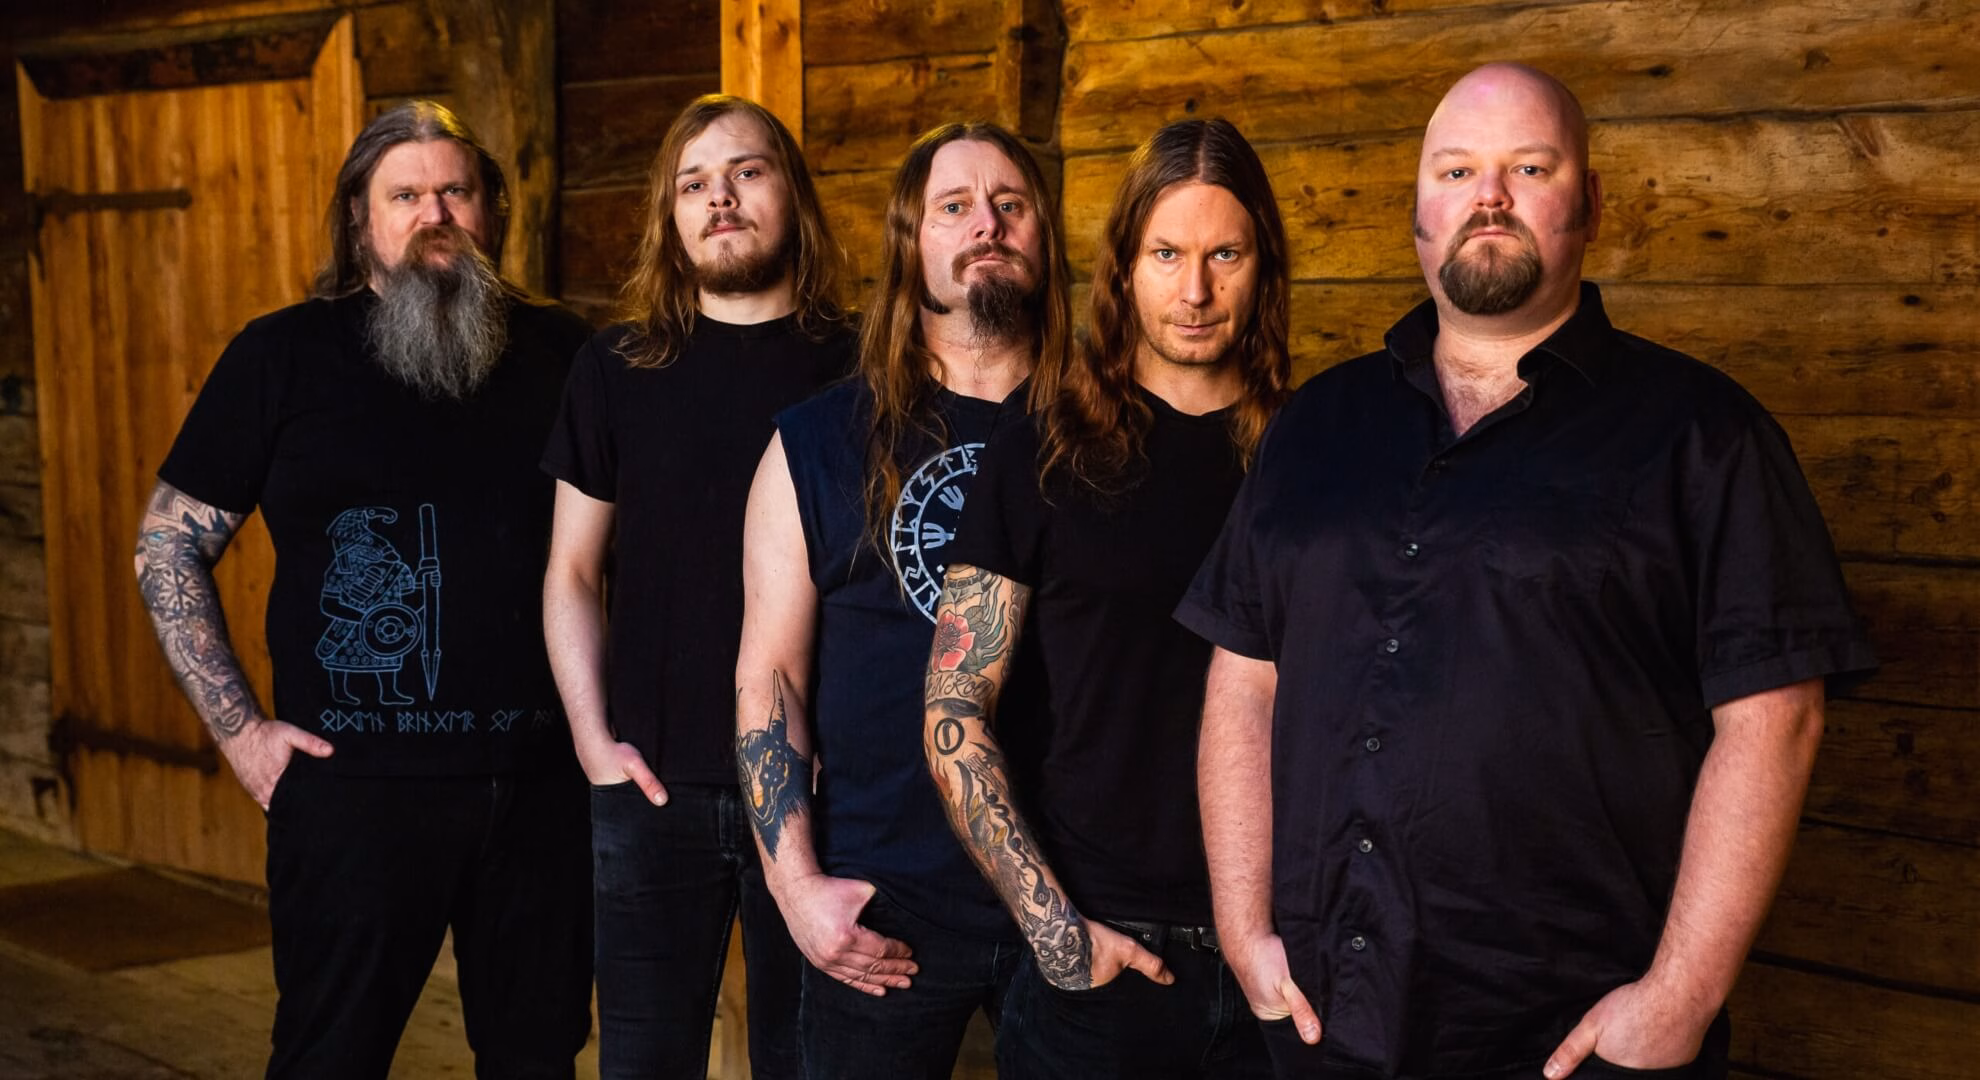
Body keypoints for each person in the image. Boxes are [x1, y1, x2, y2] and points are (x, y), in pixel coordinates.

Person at [1178, 63, 1878, 1080]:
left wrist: (1680, 998)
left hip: (1569, 1039)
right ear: (1418, 208)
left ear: (1591, 202)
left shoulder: (1704, 436)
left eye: (1530, 169)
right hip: (1325, 1021)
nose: (1489, 197)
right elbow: (1244, 681)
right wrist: (1244, 929)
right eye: (1457, 170)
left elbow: (1776, 721)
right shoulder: (1315, 426)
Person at [134, 101, 594, 1079]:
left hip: (542, 790)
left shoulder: (566, 353)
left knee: (538, 1059)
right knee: (328, 1058)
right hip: (355, 797)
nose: (435, 214)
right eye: (405, 195)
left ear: (491, 208)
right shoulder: (283, 355)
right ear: (359, 217)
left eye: (455, 191)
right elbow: (167, 546)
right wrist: (240, 733)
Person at [921, 117, 1292, 1079]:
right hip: (1103, 960)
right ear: (1123, 269)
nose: (1196, 291)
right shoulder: (1042, 447)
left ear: (1265, 268)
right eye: (1167, 254)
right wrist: (1059, 936)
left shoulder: (1313, 459)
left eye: (1225, 255)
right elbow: (954, 711)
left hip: (1283, 960)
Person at [733, 121, 1072, 1078]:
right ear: (908, 244)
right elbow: (770, 675)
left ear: (1044, 237)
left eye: (1010, 205)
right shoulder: (819, 441)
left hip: (1074, 890)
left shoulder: (1102, 429)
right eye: (953, 207)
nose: (987, 225)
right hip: (882, 904)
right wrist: (797, 888)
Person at [540, 94, 852, 1079]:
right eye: (693, 184)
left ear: (793, 194)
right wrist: (592, 742)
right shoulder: (616, 367)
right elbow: (572, 571)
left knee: (806, 1064)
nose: (720, 198)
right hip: (651, 785)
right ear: (670, 218)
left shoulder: (864, 363)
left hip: (822, 791)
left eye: (747, 172)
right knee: (644, 1062)